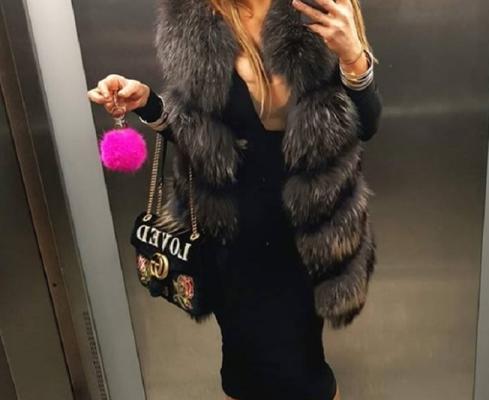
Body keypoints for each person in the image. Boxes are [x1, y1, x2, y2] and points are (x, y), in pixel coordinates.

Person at [88, 0, 382, 399]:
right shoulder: (195, 18)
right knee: (242, 370)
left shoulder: (319, 9)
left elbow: (366, 123)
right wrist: (147, 103)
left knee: (306, 372)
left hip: (306, 229)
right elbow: (197, 133)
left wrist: (352, 57)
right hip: (230, 233)